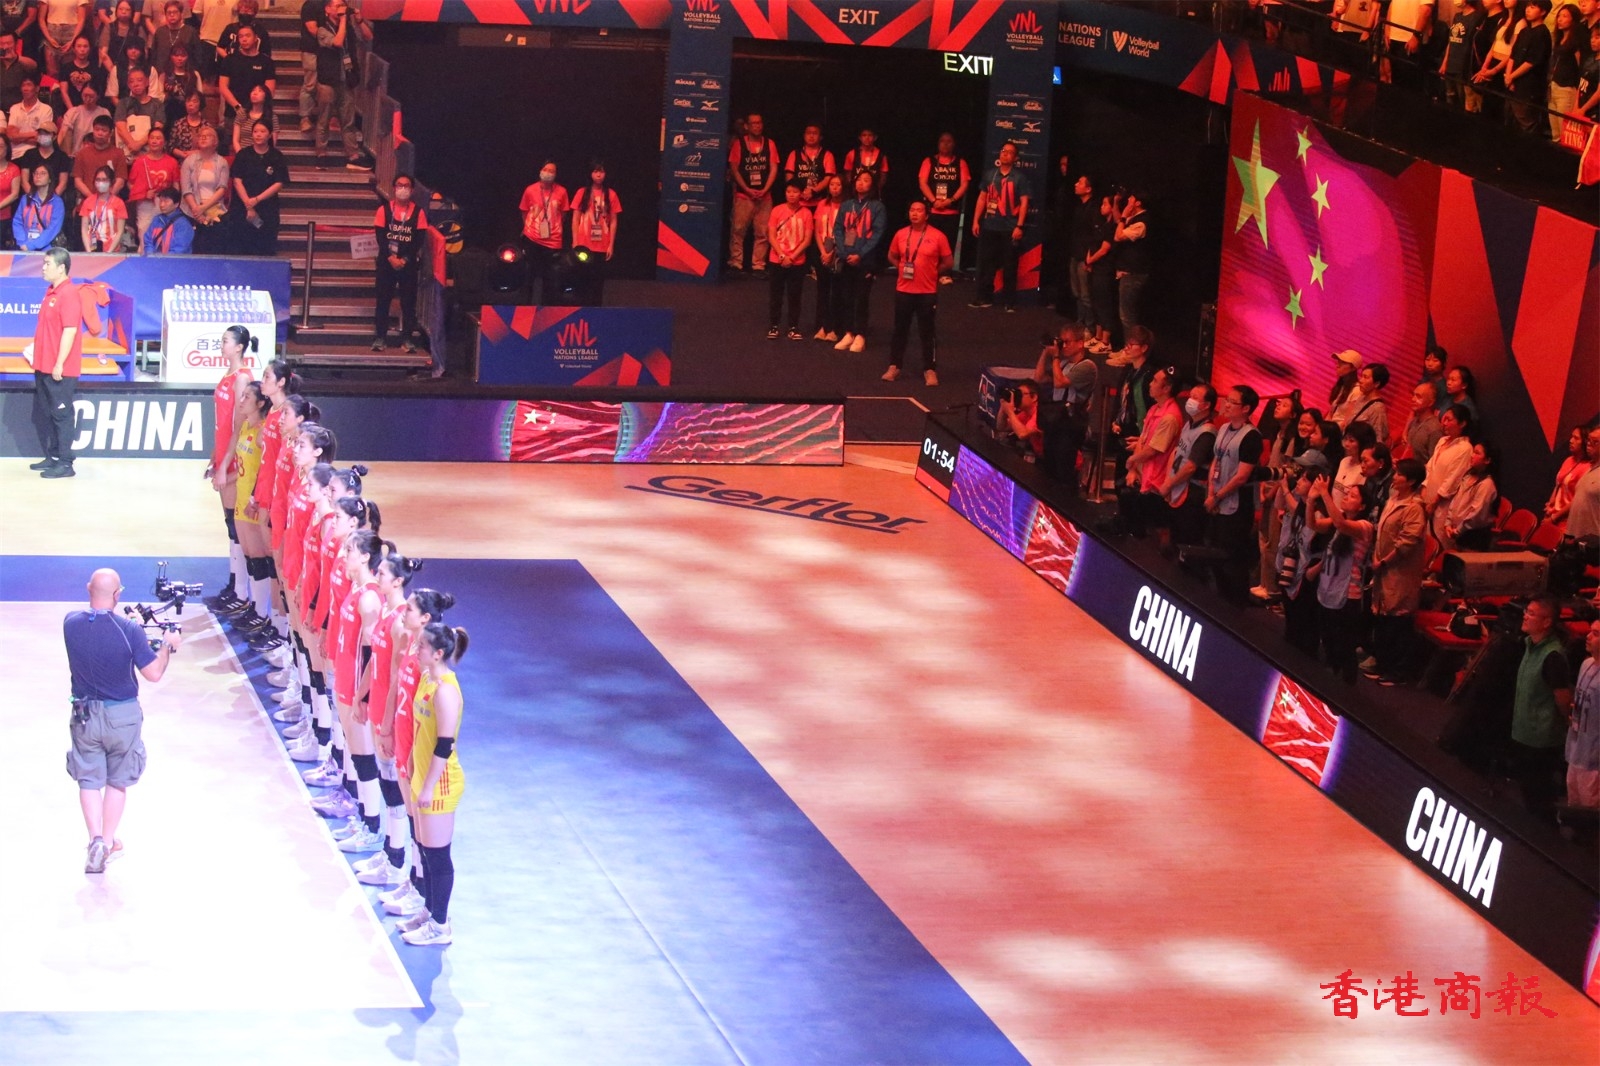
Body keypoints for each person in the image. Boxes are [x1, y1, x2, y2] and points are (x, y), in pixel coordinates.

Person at [64, 568, 181, 874]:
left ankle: (95, 840)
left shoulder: (70, 623)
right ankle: (109, 840)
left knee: (89, 779)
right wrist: (167, 646)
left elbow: (100, 633)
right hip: (122, 718)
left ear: (88, 589)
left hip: (85, 716)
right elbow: (153, 673)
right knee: (117, 780)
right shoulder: (129, 631)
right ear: (118, 595)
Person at [403, 621, 469, 946]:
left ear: (438, 653)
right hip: (421, 775)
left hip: (440, 783)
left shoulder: (446, 691)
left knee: (438, 856)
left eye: (423, 647)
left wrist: (428, 787)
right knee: (424, 851)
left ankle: (440, 926)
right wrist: (411, 763)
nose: (417, 651)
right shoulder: (428, 680)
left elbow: (444, 745)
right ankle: (430, 911)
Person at [1365, 457, 1428, 685]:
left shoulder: (1414, 508)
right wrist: (1376, 557)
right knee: (1383, 619)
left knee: (1397, 621)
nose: (1396, 477)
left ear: (1411, 481)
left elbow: (1406, 544)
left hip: (1400, 573)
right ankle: (1382, 664)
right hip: (1383, 568)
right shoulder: (1393, 499)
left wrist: (1384, 561)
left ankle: (1397, 672)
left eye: (1400, 474)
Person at [1508, 594, 1573, 817]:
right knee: (1528, 792)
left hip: (1541, 740)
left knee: (1539, 797)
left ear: (1546, 622)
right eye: (1526, 611)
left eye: (1531, 613)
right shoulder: (1530, 645)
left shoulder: (1553, 656)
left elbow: (1563, 698)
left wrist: (1565, 723)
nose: (1525, 616)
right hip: (1524, 732)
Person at [1310, 476, 1373, 684]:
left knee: (1344, 646)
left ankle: (1347, 691)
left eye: (1352, 496)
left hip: (1348, 595)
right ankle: (1331, 684)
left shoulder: (1364, 526)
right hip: (1328, 588)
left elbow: (1341, 523)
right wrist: (1311, 500)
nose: (1346, 497)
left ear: (1362, 506)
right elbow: (1313, 524)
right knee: (1328, 641)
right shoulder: (1340, 521)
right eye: (1347, 494)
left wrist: (1325, 493)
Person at [881, 200, 952, 386]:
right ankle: (894, 366)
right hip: (904, 290)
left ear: (926, 215)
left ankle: (930, 369)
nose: (915, 213)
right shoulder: (901, 234)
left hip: (927, 291)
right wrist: (901, 267)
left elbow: (948, 262)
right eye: (912, 210)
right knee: (900, 330)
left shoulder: (938, 236)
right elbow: (891, 256)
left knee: (927, 332)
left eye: (919, 210)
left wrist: (933, 272)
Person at [1205, 385, 1263, 604]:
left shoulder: (1251, 436)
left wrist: (1217, 496)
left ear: (1246, 408)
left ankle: (1236, 605)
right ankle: (1220, 600)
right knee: (1214, 554)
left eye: (1232, 402)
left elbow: (1242, 476)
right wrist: (1211, 491)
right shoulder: (1223, 428)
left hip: (1237, 505)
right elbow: (1216, 461)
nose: (1226, 405)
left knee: (1232, 559)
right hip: (1217, 499)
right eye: (1226, 400)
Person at [28, 246, 82, 477]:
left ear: (61, 268)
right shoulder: (51, 292)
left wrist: (59, 363)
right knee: (48, 413)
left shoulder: (69, 294)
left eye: (47, 263)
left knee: (61, 415)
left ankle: (66, 463)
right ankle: (53, 456)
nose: (43, 267)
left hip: (60, 368)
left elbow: (70, 331)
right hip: (43, 365)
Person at [1150, 383, 1218, 552]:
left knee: (1186, 542)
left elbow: (1190, 467)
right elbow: (1177, 452)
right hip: (1176, 485)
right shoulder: (1190, 424)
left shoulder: (1207, 432)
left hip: (1193, 491)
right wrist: (1168, 480)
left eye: (1195, 398)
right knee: (1173, 537)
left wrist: (1169, 484)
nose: (1189, 400)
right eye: (1190, 396)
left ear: (1206, 405)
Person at [1116, 366, 1182, 535]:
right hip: (1143, 476)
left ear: (1166, 388)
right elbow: (1143, 439)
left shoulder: (1170, 417)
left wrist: (1131, 460)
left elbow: (1153, 450)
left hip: (1155, 483)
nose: (1150, 384)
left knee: (1148, 534)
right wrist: (1133, 469)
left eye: (1155, 381)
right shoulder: (1154, 409)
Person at [1277, 454, 1332, 656]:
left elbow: (1323, 542)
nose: (1299, 481)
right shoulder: (1301, 507)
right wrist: (1284, 487)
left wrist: (1313, 570)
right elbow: (1286, 507)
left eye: (1304, 479)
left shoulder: (1322, 516)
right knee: (1291, 621)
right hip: (1293, 568)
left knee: (1305, 624)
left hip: (1308, 575)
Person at [1036, 322, 1099, 492]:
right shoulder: (1064, 364)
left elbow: (1060, 382)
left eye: (1067, 342)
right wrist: (1046, 352)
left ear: (1080, 343)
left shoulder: (1087, 366)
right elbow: (1039, 378)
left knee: (1064, 468)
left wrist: (1056, 357)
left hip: (1071, 425)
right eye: (1061, 342)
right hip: (1056, 421)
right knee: (1049, 467)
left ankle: (1068, 500)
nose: (1063, 346)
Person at [969, 141, 1029, 312]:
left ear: (1015, 158)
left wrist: (1019, 226)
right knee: (987, 265)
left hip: (1009, 227)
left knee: (1009, 266)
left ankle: (1009, 301)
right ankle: (985, 297)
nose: (1005, 154)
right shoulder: (990, 175)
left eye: (1009, 152)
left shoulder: (1019, 178)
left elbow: (1024, 202)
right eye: (1003, 151)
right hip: (989, 226)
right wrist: (975, 220)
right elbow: (982, 198)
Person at [831, 169, 884, 355]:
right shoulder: (847, 205)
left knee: (861, 298)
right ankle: (848, 332)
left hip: (865, 260)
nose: (861, 183)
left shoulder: (877, 207)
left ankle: (860, 334)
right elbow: (838, 229)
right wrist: (843, 252)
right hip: (846, 257)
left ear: (873, 184)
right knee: (847, 296)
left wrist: (860, 254)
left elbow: (877, 234)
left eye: (866, 180)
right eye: (859, 180)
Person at [373, 172, 427, 353]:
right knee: (383, 300)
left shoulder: (419, 213)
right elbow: (381, 237)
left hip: (407, 264)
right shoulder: (383, 210)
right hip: (386, 262)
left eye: (406, 186)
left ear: (412, 190)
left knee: (408, 303)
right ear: (394, 188)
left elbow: (418, 240)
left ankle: (407, 339)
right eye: (399, 185)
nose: (403, 189)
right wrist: (390, 257)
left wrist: (404, 259)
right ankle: (380, 337)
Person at [313, 0, 364, 171]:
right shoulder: (322, 30)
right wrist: (343, 20)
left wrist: (359, 20)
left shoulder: (348, 27)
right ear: (327, 9)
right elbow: (338, 42)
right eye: (336, 5)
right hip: (328, 82)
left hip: (346, 80)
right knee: (324, 120)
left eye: (342, 5)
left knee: (348, 121)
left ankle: (353, 156)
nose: (340, 8)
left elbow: (368, 37)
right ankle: (321, 154)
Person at [726, 111, 776, 276]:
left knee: (762, 232)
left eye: (759, 123)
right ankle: (736, 263)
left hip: (764, 196)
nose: (757, 126)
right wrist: (747, 189)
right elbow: (734, 169)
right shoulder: (739, 144)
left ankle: (758, 265)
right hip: (744, 195)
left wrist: (765, 189)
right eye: (753, 123)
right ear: (746, 126)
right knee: (738, 230)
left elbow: (774, 168)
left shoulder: (769, 144)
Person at [764, 179, 811, 342]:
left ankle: (793, 327)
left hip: (797, 261)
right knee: (776, 294)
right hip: (777, 259)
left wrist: (793, 256)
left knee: (795, 295)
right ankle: (774, 325)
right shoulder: (777, 210)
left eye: (795, 192)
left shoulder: (806, 213)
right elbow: (771, 235)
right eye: (788, 191)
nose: (791, 195)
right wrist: (782, 256)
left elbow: (807, 239)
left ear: (801, 194)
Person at [229, 117, 285, 256]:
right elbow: (237, 181)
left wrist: (257, 199)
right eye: (255, 131)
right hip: (242, 207)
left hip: (267, 209)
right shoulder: (243, 154)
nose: (258, 134)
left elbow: (279, 183)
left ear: (270, 134)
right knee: (241, 247)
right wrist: (249, 205)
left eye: (262, 131)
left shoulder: (276, 156)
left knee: (266, 248)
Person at [568, 160, 620, 307]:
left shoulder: (611, 194)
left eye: (601, 171)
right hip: (584, 244)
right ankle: (581, 310)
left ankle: (596, 311)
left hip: (602, 245)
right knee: (582, 280)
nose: (598, 175)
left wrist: (611, 245)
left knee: (598, 283)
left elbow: (614, 221)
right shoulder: (582, 192)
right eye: (596, 171)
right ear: (590, 174)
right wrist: (575, 241)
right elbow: (575, 218)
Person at [917, 132, 969, 278]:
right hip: (933, 211)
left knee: (948, 244)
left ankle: (944, 273)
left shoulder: (960, 162)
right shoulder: (929, 161)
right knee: (929, 244)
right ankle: (927, 271)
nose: (945, 144)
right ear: (938, 144)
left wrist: (951, 200)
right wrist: (934, 201)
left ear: (954, 144)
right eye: (942, 141)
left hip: (951, 212)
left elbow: (964, 184)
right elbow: (922, 183)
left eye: (949, 141)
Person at [517, 159, 566, 304]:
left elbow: (563, 214)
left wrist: (553, 227)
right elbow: (524, 211)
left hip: (553, 241)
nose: (548, 173)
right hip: (532, 238)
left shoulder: (562, 191)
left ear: (555, 174)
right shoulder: (530, 190)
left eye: (552, 171)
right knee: (529, 275)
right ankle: (527, 308)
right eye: (546, 170)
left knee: (550, 278)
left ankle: (547, 310)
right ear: (540, 171)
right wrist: (529, 227)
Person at [1437, 440, 1499, 550]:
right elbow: (1455, 500)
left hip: (1474, 538)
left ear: (1487, 460)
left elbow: (1476, 514)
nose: (1472, 455)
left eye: (1477, 453)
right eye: (1473, 452)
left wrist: (1458, 530)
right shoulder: (1468, 476)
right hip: (1459, 533)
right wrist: (1448, 523)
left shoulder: (1487, 484)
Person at [1505, 0, 1554, 135]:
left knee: (1527, 123)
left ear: (1543, 12)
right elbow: (1513, 55)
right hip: (1513, 83)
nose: (1528, 10)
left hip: (1529, 87)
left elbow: (1532, 62)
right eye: (1527, 6)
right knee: (1510, 121)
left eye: (1532, 7)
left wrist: (1511, 76)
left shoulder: (1542, 33)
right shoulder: (1524, 31)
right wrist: (1508, 76)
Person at [1566, 619, 1600, 814]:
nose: (1587, 636)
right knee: (1573, 809)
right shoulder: (1586, 664)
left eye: (1596, 633)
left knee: (1591, 815)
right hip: (1576, 749)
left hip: (1594, 761)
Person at [180, 122, 229, 252]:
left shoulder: (222, 162)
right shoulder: (189, 161)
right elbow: (186, 189)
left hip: (214, 210)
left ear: (215, 142)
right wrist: (196, 210)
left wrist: (204, 208)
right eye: (201, 135)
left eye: (208, 136)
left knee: (213, 249)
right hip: (191, 211)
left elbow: (222, 188)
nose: (203, 137)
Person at [1110, 189, 1150, 339]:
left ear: (1138, 203)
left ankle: (1132, 347)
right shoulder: (1133, 219)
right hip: (1127, 272)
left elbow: (1118, 236)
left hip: (1134, 273)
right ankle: (1129, 346)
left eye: (1131, 199)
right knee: (1124, 314)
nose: (1128, 201)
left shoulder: (1141, 223)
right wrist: (1116, 203)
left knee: (1127, 315)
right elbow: (1118, 222)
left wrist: (1124, 216)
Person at [127, 121, 175, 243]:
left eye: (158, 138)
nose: (154, 141)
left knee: (164, 238)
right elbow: (131, 184)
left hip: (166, 203)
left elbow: (176, 186)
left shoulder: (172, 162)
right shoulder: (139, 162)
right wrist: (144, 194)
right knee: (144, 236)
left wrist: (172, 203)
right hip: (145, 204)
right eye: (152, 138)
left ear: (164, 142)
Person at [1065, 173, 1102, 328]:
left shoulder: (1094, 208)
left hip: (1085, 256)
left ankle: (1089, 326)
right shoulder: (1078, 207)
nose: (1075, 184)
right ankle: (1080, 323)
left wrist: (1090, 258)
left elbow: (1095, 235)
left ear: (1088, 189)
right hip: (1075, 253)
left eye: (1080, 183)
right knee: (1077, 292)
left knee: (1086, 294)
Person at [811, 172, 843, 342]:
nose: (834, 188)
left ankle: (835, 328)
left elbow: (848, 232)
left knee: (837, 291)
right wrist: (823, 252)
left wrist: (834, 251)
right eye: (832, 185)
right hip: (823, 250)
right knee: (822, 290)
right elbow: (817, 230)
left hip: (839, 253)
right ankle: (822, 326)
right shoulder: (822, 204)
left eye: (838, 185)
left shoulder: (847, 205)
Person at [1545, 425, 1595, 531]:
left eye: (1576, 438)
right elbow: (1559, 484)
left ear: (1584, 442)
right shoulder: (1568, 460)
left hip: (1565, 521)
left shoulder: (1587, 468)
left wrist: (1554, 518)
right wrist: (1550, 505)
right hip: (1552, 515)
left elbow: (1577, 500)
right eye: (1572, 437)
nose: (1571, 441)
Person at [13, 161, 64, 249]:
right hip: (24, 246)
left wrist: (32, 245)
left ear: (50, 179)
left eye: (43, 173)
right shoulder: (25, 199)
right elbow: (17, 222)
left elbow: (53, 228)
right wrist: (23, 243)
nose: (38, 176)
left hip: (47, 249)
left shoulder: (57, 202)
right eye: (35, 173)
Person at [784, 123, 834, 210]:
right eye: (808, 133)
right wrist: (798, 192)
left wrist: (813, 191)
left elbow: (828, 178)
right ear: (804, 136)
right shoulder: (794, 154)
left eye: (815, 133)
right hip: (798, 202)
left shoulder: (827, 155)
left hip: (820, 202)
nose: (811, 136)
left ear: (821, 137)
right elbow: (789, 176)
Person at [77, 163, 125, 250]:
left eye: (104, 180)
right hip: (92, 248)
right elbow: (84, 229)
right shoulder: (88, 201)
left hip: (112, 250)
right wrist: (88, 251)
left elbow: (120, 231)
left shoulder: (119, 203)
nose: (101, 183)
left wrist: (110, 252)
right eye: (98, 179)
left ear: (111, 182)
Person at [1562, 426, 1600, 538]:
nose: (1589, 444)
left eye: (1595, 441)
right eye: (1589, 440)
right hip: (1574, 537)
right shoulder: (1590, 469)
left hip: (1593, 542)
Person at [6, 75, 51, 159]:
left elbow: (45, 140)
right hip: (14, 154)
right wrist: (33, 134)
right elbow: (10, 136)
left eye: (29, 85)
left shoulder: (46, 109)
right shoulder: (14, 108)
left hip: (36, 154)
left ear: (37, 88)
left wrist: (18, 137)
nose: (25, 89)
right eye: (23, 85)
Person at [297, 0, 325, 133]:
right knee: (310, 84)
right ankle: (305, 118)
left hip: (330, 51)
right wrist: (332, 40)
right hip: (312, 50)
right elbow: (312, 29)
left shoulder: (334, 3)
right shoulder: (310, 5)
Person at [997, 378, 1043, 458]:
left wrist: (1010, 412)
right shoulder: (1025, 414)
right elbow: (1002, 426)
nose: (1017, 398)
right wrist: (1003, 406)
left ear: (1034, 397)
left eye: (1020, 395)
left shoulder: (1040, 413)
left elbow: (1022, 434)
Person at [59, 80, 107, 156]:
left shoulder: (104, 113)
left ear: (98, 96)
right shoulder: (73, 112)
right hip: (75, 155)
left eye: (91, 96)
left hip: (98, 155)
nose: (87, 99)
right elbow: (63, 135)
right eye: (85, 95)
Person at [1400, 380, 1443, 462]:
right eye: (1414, 395)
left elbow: (1432, 463)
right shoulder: (1414, 421)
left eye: (1419, 397)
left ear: (1430, 402)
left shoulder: (1434, 429)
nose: (1413, 399)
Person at [141, 183, 190, 252]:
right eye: (161, 201)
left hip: (174, 259)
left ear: (176, 204)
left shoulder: (183, 224)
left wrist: (165, 258)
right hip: (154, 258)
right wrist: (151, 255)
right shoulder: (157, 219)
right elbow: (148, 241)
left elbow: (179, 249)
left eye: (166, 201)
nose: (162, 205)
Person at [229, 79, 272, 155]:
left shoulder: (271, 116)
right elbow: (235, 140)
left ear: (266, 96)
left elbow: (272, 141)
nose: (255, 93)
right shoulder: (242, 113)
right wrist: (241, 155)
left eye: (260, 91)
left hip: (262, 154)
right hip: (242, 154)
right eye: (253, 91)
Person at [0, 31, 38, 116]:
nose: (5, 47)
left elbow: (34, 66)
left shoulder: (23, 63)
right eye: (2, 44)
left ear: (16, 44)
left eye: (9, 43)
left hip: (20, 111)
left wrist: (15, 58)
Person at [842, 126, 887, 194]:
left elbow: (883, 177)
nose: (867, 138)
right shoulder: (851, 154)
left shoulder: (881, 156)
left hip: (874, 193)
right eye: (864, 135)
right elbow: (848, 174)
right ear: (860, 138)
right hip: (855, 193)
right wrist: (855, 187)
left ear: (875, 137)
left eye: (870, 135)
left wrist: (875, 189)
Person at [167, 88, 209, 161]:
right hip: (182, 162)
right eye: (188, 101)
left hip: (202, 162)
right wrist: (182, 154)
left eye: (194, 101)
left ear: (200, 104)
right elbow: (170, 146)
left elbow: (210, 148)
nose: (190, 104)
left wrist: (196, 153)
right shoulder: (178, 124)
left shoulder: (206, 126)